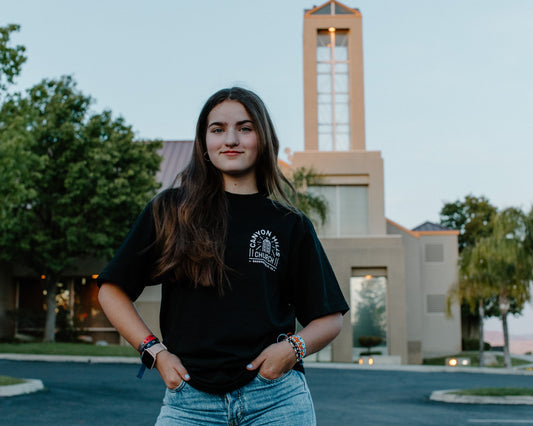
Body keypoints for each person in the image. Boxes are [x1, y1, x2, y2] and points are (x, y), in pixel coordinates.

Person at [97, 87, 349, 425]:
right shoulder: (171, 210)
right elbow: (112, 290)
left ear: (263, 138)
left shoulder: (290, 225)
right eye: (217, 129)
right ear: (204, 143)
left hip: (275, 400)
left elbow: (330, 318)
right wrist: (154, 353)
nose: (230, 139)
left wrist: (291, 350)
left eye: (245, 128)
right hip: (189, 403)